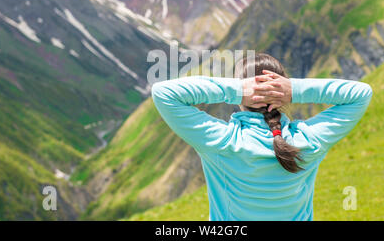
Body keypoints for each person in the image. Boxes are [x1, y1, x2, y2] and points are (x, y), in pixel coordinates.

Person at [151, 53, 372, 220]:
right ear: (282, 92)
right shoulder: (308, 140)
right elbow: (360, 94)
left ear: (243, 95)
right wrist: (294, 89)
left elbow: (164, 93)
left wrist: (237, 89)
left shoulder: (224, 142)